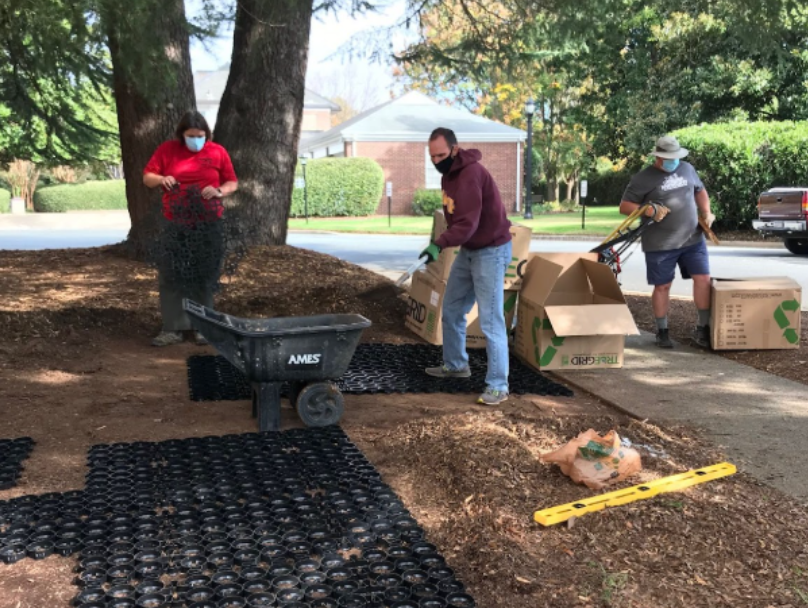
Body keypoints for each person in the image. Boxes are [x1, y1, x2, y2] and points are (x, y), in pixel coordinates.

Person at [420, 127, 513, 405]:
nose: (436, 161)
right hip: (470, 250)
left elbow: (467, 224)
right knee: (451, 309)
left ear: (455, 149)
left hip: (491, 251)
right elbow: (456, 218)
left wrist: (439, 244)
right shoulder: (449, 174)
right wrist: (444, 241)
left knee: (490, 320)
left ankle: (498, 385)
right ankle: (456, 365)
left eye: (441, 155)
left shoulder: (471, 174)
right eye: (432, 156)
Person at [143, 110, 238, 347]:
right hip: (175, 222)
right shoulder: (167, 150)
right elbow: (147, 177)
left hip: (208, 223)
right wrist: (161, 179)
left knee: (204, 275)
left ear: (207, 134)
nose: (196, 139)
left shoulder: (217, 152)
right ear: (182, 135)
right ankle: (173, 327)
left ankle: (202, 328)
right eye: (191, 135)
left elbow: (232, 182)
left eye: (201, 135)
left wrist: (219, 191)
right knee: (171, 275)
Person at [620, 135, 716, 349]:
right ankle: (662, 331)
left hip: (693, 239)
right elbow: (625, 206)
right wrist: (648, 209)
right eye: (669, 157)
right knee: (662, 286)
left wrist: (707, 212)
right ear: (659, 157)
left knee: (703, 279)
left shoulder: (687, 169)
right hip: (660, 244)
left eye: (675, 157)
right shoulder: (642, 178)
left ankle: (703, 328)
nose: (674, 161)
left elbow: (700, 191)